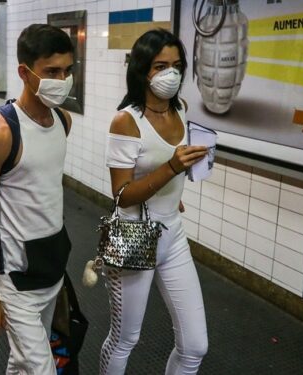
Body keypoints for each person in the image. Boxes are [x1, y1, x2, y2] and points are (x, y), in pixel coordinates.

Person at [0, 24, 73, 374]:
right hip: (15, 277)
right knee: (41, 369)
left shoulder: (62, 120)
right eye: (52, 72)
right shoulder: (2, 132)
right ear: (25, 73)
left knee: (22, 363)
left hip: (52, 266)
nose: (63, 79)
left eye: (68, 70)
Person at [101, 29, 209, 374]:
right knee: (124, 339)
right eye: (160, 65)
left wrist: (174, 188)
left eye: (177, 65)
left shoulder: (182, 111)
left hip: (172, 235)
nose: (171, 74)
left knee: (195, 346)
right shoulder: (127, 120)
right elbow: (121, 194)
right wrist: (172, 167)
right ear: (142, 70)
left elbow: (169, 174)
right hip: (133, 236)